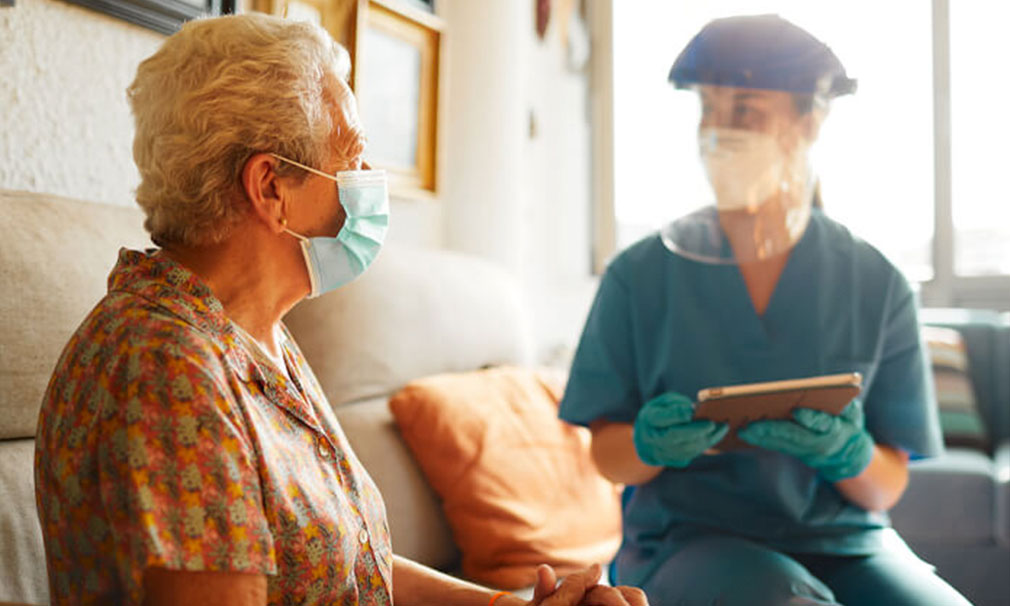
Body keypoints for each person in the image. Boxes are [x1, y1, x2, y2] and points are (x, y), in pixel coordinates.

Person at [33, 14, 648, 606]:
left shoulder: (254, 333)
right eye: (350, 157)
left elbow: (350, 566)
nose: (368, 178)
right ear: (271, 186)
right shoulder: (164, 368)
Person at [558, 14, 973, 606]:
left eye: (745, 110)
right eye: (708, 108)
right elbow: (607, 454)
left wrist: (847, 454)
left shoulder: (877, 282)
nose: (718, 132)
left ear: (810, 120)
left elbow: (886, 485)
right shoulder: (639, 276)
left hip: (849, 543)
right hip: (691, 543)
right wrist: (648, 445)